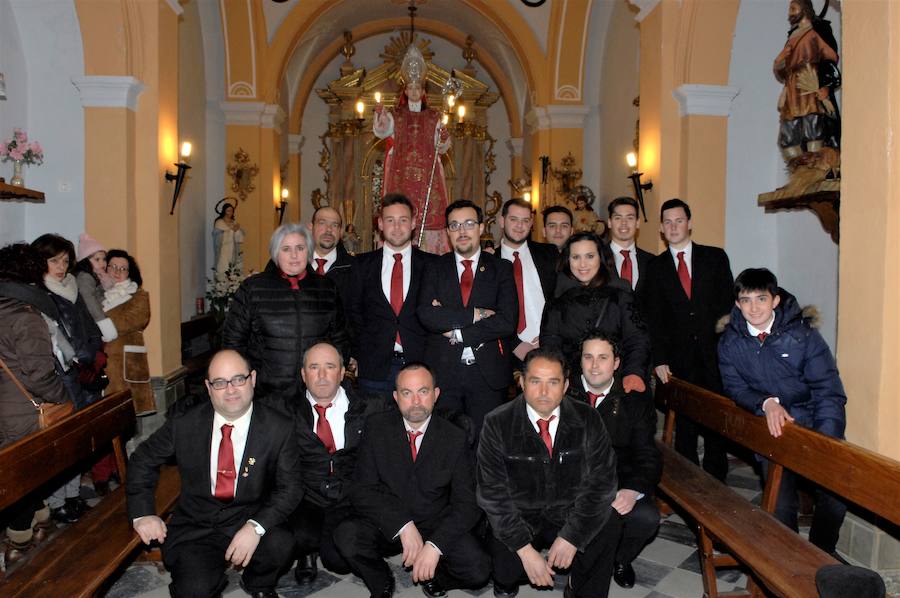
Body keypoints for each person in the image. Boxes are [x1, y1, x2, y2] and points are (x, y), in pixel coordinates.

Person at [127, 349, 301, 598]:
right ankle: (204, 577)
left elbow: (291, 487)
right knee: (194, 589)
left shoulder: (279, 427)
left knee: (281, 543)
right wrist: (143, 514)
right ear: (208, 388)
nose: (230, 389)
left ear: (252, 379)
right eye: (220, 382)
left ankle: (258, 583)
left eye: (238, 379)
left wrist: (256, 527)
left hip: (248, 516)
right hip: (196, 525)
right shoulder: (185, 424)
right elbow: (142, 460)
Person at [718, 268, 847, 555]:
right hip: (773, 431)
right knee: (780, 504)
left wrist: (825, 442)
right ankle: (791, 559)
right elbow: (735, 387)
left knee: (836, 498)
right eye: (746, 300)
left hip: (814, 425)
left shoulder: (803, 336)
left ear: (775, 300)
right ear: (737, 304)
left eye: (761, 299)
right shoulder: (730, 343)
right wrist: (766, 402)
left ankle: (821, 553)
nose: (754, 307)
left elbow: (828, 390)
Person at [334, 362, 490, 598]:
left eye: (423, 391)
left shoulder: (455, 437)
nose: (416, 401)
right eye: (407, 393)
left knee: (479, 569)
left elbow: (467, 503)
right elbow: (362, 488)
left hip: (433, 521)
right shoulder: (376, 427)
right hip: (389, 520)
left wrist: (435, 546)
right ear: (396, 397)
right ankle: (382, 578)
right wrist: (403, 525)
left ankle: (436, 577)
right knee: (346, 536)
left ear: (435, 395)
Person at [476, 348, 620, 598]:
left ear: (565, 386)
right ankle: (508, 578)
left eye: (553, 382)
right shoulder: (497, 422)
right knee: (504, 568)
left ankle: (581, 589)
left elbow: (602, 483)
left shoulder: (588, 418)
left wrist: (573, 537)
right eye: (535, 381)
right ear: (521, 382)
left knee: (609, 521)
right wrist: (525, 550)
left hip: (567, 511)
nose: (544, 392)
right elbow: (492, 494)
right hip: (520, 515)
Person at [643, 198, 734, 481]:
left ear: (690, 223)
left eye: (679, 220)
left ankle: (717, 481)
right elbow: (652, 318)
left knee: (716, 421)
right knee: (684, 425)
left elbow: (728, 306)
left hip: (714, 356)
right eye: (667, 222)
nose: (673, 226)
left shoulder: (715, 258)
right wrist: (659, 359)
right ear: (661, 228)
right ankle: (689, 480)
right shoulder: (655, 267)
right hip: (678, 360)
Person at [288, 342, 387, 585]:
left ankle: (330, 543)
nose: (322, 375)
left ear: (343, 372)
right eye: (314, 367)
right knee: (294, 537)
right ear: (303, 374)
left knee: (339, 562)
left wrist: (456, 422)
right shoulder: (286, 410)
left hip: (348, 496)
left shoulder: (371, 407)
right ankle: (306, 552)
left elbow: (412, 414)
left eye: (330, 367)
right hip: (308, 497)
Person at [568, 331, 661, 589]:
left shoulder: (635, 398)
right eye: (588, 357)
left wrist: (633, 490)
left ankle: (619, 560)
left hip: (618, 480)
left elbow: (646, 453)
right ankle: (579, 562)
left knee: (646, 518)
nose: (595, 365)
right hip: (571, 484)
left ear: (616, 362)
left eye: (603, 357)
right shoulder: (564, 392)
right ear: (581, 361)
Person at [417, 199, 517, 434]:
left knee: (486, 448)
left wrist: (458, 332)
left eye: (469, 224)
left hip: (487, 376)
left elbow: (507, 320)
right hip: (444, 373)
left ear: (481, 228)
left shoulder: (501, 268)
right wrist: (476, 314)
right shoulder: (434, 268)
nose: (462, 231)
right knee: (446, 446)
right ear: (448, 232)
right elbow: (427, 314)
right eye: (454, 225)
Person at [0, 243, 71, 563]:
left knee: (17, 473)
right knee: (22, 476)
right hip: (22, 411)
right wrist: (64, 398)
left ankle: (39, 522)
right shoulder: (24, 316)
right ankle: (20, 542)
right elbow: (40, 374)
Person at [224, 223, 349, 403]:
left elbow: (339, 338)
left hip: (314, 392)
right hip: (267, 392)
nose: (294, 255)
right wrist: (245, 380)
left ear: (308, 251)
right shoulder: (253, 288)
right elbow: (233, 341)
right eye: (286, 249)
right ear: (276, 253)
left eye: (300, 248)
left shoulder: (327, 288)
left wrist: (331, 375)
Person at [32, 233, 103, 523]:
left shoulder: (73, 287)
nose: (60, 267)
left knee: (80, 436)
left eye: (64, 260)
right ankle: (58, 501)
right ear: (40, 262)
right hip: (60, 373)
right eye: (53, 261)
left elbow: (88, 325)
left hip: (85, 369)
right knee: (62, 439)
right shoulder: (40, 294)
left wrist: (95, 354)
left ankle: (72, 495)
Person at [347, 194, 435, 400]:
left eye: (403, 220)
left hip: (420, 365)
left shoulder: (432, 265)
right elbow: (352, 313)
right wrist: (358, 355)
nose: (397, 227)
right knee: (375, 429)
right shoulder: (361, 265)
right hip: (374, 369)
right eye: (390, 220)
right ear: (380, 224)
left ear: (413, 223)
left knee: (418, 430)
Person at [540, 231, 650, 392]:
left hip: (617, 385)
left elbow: (637, 338)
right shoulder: (558, 298)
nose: (583, 264)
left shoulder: (620, 293)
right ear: (567, 260)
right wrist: (559, 377)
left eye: (590, 256)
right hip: (572, 388)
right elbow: (550, 343)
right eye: (576, 257)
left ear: (601, 258)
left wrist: (633, 372)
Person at [373, 45, 450, 255]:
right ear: (406, 91)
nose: (414, 91)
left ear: (423, 92)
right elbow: (382, 131)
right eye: (411, 88)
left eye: (418, 88)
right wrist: (379, 114)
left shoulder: (434, 117)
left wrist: (443, 138)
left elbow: (440, 147)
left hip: (427, 177)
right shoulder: (395, 115)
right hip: (401, 174)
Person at [774, 0, 841, 164]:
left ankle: (816, 171)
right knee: (787, 137)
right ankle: (800, 174)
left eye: (793, 8)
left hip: (810, 87)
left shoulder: (817, 31)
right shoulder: (792, 36)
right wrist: (780, 62)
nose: (790, 12)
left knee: (813, 129)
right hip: (792, 90)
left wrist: (826, 85)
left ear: (804, 9)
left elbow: (830, 60)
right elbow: (783, 70)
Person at [496, 197, 559, 367]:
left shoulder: (549, 254)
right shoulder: (488, 262)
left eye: (525, 221)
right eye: (513, 219)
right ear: (502, 221)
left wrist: (550, 335)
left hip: (549, 347)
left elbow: (562, 299)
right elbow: (488, 310)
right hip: (505, 353)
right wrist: (515, 344)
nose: (519, 226)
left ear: (531, 224)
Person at [103, 249, 154, 415]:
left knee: (124, 412)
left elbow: (132, 320)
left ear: (129, 272)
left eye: (122, 268)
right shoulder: (97, 294)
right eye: (113, 266)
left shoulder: (138, 295)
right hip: (101, 363)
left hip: (126, 363)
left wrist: (98, 321)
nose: (117, 271)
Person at [74, 232, 117, 342]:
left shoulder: (99, 277)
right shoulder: (85, 277)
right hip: (90, 323)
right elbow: (89, 300)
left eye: (104, 259)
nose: (102, 263)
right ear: (85, 261)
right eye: (97, 259)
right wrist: (104, 323)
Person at [607, 197, 654, 296]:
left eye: (630, 218)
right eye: (618, 218)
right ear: (610, 223)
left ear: (637, 223)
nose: (624, 223)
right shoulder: (597, 258)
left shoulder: (651, 261)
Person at [310, 206, 355, 302]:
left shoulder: (355, 269)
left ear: (341, 232)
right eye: (322, 223)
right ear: (311, 228)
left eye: (335, 225)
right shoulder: (290, 265)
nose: (329, 230)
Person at [212, 198, 245, 278]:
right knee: (223, 268)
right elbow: (216, 237)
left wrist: (237, 231)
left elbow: (240, 239)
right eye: (228, 211)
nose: (230, 213)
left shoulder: (234, 222)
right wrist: (230, 231)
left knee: (233, 268)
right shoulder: (219, 222)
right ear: (224, 211)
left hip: (233, 250)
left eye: (231, 211)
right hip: (223, 250)